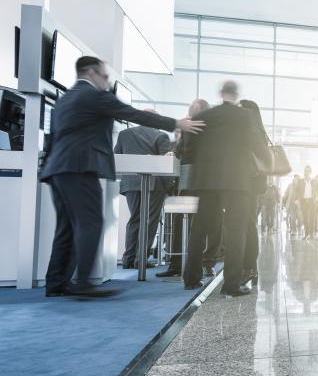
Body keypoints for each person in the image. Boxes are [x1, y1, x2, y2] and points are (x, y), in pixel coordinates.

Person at [42, 56, 203, 298]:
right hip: (81, 167)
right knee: (90, 223)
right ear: (91, 73)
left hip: (58, 170)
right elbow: (134, 114)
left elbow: (54, 136)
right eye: (105, 76)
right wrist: (175, 123)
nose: (107, 82)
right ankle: (84, 284)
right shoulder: (94, 95)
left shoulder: (65, 99)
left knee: (66, 227)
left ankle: (56, 283)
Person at [178, 80, 270, 297]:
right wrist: (269, 163)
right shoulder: (244, 116)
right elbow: (257, 145)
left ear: (221, 94)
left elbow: (187, 147)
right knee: (236, 230)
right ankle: (231, 284)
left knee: (199, 229)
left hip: (206, 181)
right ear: (236, 95)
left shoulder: (204, 116)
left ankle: (190, 278)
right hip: (236, 182)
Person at [114, 109, 173, 270]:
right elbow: (165, 166)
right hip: (154, 185)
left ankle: (128, 258)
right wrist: (170, 187)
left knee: (134, 219)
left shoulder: (124, 134)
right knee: (149, 220)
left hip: (130, 183)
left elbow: (117, 157)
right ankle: (141, 259)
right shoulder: (161, 136)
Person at [158, 98, 210, 278]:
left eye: (192, 109)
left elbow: (181, 151)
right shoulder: (212, 129)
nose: (190, 112)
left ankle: (177, 265)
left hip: (190, 183)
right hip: (203, 185)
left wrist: (175, 152)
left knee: (182, 221)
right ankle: (200, 264)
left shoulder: (191, 128)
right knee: (194, 223)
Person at [238, 99, 268, 287]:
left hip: (247, 184)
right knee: (247, 225)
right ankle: (249, 268)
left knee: (248, 225)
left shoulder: (252, 132)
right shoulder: (258, 131)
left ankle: (249, 268)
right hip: (249, 185)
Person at [294, 166, 318, 238]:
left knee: (312, 218)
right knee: (305, 218)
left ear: (310, 172)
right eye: (305, 171)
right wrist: (296, 199)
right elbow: (296, 191)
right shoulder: (300, 181)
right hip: (304, 201)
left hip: (312, 201)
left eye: (308, 171)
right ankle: (306, 234)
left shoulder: (314, 181)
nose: (306, 173)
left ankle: (311, 234)